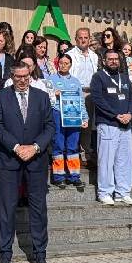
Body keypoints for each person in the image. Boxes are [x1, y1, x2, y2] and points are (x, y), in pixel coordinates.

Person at [0, 61, 54, 263]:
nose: (22, 80)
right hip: (9, 159)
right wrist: (16, 147)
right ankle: (5, 254)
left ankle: (40, 255)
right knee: (7, 208)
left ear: (30, 74)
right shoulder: (1, 96)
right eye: (18, 77)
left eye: (26, 76)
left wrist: (35, 147)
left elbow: (49, 126)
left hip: (36, 161)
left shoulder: (42, 97)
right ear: (12, 76)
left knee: (38, 209)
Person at [90, 49, 132, 205]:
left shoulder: (124, 77)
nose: (114, 61)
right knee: (106, 160)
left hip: (126, 124)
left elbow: (131, 98)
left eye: (116, 59)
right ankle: (105, 192)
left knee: (125, 159)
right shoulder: (98, 77)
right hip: (108, 123)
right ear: (104, 61)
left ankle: (122, 192)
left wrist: (130, 114)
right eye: (110, 59)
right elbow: (98, 100)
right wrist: (116, 115)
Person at [46, 54, 88, 189]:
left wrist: (84, 117)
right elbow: (45, 98)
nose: (63, 65)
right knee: (58, 144)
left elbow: (81, 100)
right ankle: (59, 177)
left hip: (73, 116)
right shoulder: (50, 79)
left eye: (66, 63)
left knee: (73, 145)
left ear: (70, 65)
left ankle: (74, 176)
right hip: (57, 113)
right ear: (58, 63)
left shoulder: (75, 81)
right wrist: (53, 94)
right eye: (61, 63)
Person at [67, 27, 98, 163]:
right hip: (75, 93)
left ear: (89, 39)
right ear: (76, 39)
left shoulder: (94, 56)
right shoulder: (70, 55)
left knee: (88, 124)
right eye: (80, 37)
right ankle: (72, 153)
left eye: (86, 37)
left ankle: (85, 153)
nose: (83, 40)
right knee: (74, 125)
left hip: (90, 94)